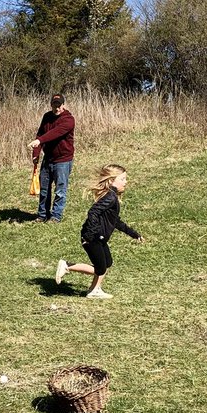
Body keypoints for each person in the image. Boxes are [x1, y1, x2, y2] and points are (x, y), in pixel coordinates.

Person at [54, 164, 142, 299]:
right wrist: (91, 234)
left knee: (107, 263)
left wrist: (134, 234)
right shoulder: (110, 197)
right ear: (112, 180)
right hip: (93, 237)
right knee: (100, 268)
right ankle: (67, 266)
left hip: (98, 238)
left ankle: (94, 290)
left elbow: (116, 222)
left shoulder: (111, 196)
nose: (126, 182)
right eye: (123, 179)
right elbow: (93, 212)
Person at [28, 93, 75, 222]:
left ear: (63, 105)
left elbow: (56, 133)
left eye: (59, 105)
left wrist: (40, 141)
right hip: (48, 158)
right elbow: (40, 135)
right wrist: (36, 154)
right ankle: (42, 215)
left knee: (60, 190)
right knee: (44, 189)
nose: (57, 108)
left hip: (63, 160)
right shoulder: (47, 117)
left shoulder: (69, 120)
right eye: (55, 105)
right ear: (51, 105)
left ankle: (56, 216)